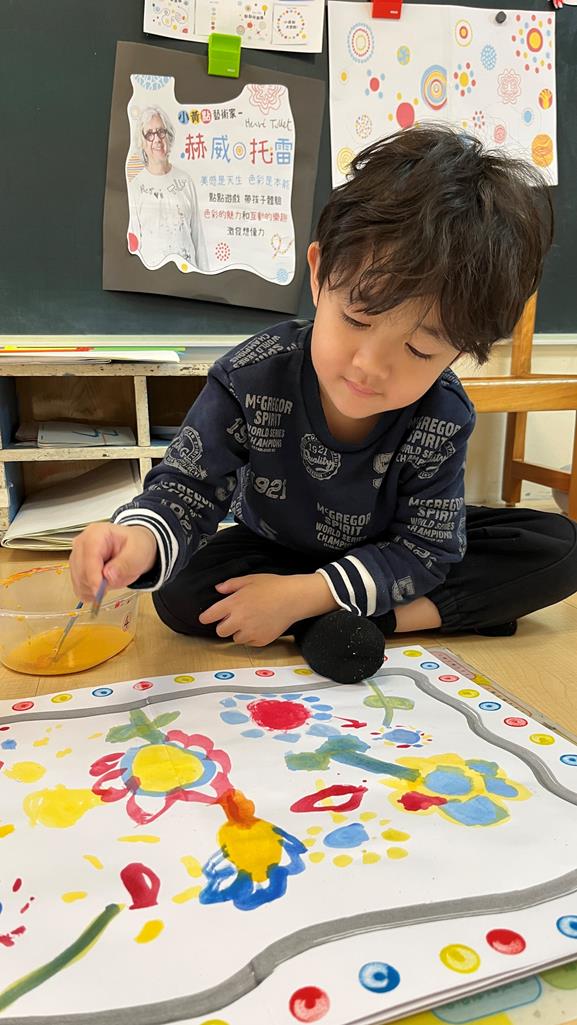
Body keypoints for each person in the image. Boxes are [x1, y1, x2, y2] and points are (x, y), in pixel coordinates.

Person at [71, 125, 577, 685]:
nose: (370, 366)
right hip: (276, 549)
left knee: (556, 547)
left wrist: (306, 594)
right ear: (318, 273)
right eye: (356, 319)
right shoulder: (250, 375)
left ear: (459, 351)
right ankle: (357, 619)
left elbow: (426, 550)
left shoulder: (443, 413)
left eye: (419, 350)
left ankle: (325, 616)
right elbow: (187, 488)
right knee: (179, 593)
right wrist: (137, 539)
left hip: (387, 552)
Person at [127, 106, 210, 272]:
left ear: (169, 136)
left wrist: (205, 277)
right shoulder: (135, 187)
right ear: (142, 143)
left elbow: (198, 238)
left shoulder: (185, 181)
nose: (157, 139)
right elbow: (133, 244)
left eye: (161, 132)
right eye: (149, 134)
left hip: (188, 275)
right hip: (153, 279)